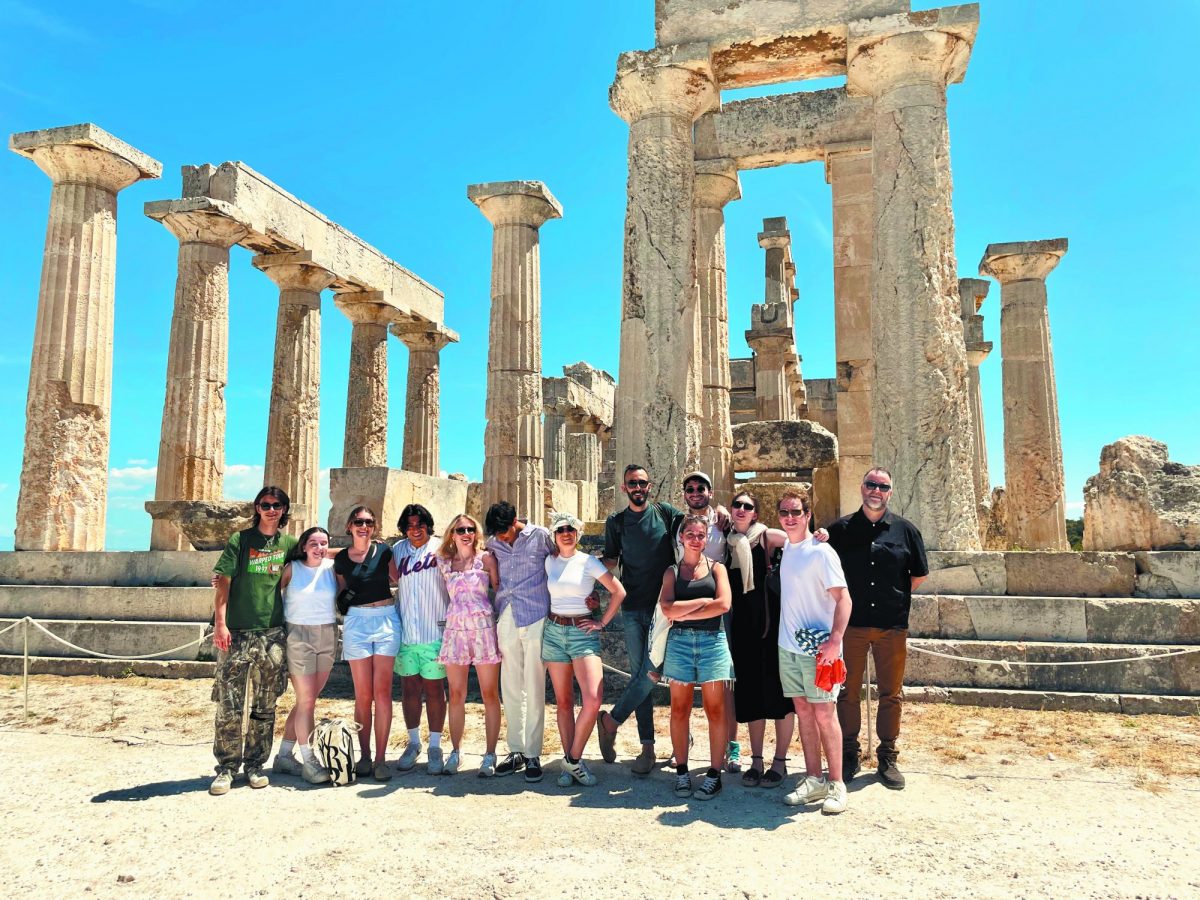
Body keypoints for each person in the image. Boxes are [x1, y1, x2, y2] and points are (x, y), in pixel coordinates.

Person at [827, 466, 928, 790]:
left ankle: (887, 756)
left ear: (890, 492)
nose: (876, 490)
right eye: (871, 484)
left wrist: (892, 596)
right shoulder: (839, 530)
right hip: (851, 625)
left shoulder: (906, 531)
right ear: (862, 488)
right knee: (847, 692)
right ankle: (849, 752)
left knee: (891, 694)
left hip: (891, 625)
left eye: (883, 486)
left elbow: (918, 575)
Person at [208, 486, 299, 796]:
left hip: (272, 633)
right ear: (257, 508)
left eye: (277, 505)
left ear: (284, 510)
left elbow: (318, 551)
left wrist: (362, 546)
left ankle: (255, 764)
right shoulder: (241, 540)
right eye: (266, 504)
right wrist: (220, 624)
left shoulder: (288, 544)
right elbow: (223, 582)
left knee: (265, 704)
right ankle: (226, 767)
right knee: (229, 705)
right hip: (236, 631)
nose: (271, 510)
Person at [596, 464, 684, 775]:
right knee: (641, 676)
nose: (637, 487)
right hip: (632, 608)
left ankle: (611, 721)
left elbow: (693, 528)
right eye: (632, 483)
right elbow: (610, 560)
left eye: (642, 483)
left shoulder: (665, 513)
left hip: (664, 609)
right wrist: (577, 564)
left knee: (651, 675)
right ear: (624, 488)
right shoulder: (616, 522)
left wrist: (719, 516)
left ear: (649, 486)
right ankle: (647, 748)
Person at [774, 491, 852, 815]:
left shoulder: (822, 552)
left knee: (824, 714)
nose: (790, 517)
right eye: (784, 512)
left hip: (820, 649)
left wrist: (835, 641)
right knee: (804, 712)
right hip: (788, 647)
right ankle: (814, 779)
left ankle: (837, 784)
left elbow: (844, 599)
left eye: (796, 512)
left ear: (808, 515)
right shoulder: (785, 547)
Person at [542, 511, 627, 788]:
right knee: (564, 703)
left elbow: (618, 591)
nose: (566, 533)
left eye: (570, 529)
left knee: (592, 699)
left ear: (577, 533)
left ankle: (573, 759)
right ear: (554, 535)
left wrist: (601, 621)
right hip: (554, 631)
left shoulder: (588, 562)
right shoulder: (549, 561)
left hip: (582, 632)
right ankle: (570, 765)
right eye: (560, 530)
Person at [660, 514, 733, 800]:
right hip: (679, 644)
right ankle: (682, 771)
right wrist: (703, 602)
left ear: (706, 539)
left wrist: (685, 610)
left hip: (712, 642)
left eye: (700, 535)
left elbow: (724, 604)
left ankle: (714, 774)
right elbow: (666, 609)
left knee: (715, 710)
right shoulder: (672, 572)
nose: (695, 539)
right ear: (681, 537)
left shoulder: (717, 569)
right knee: (679, 709)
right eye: (689, 534)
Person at [726, 489, 795, 788]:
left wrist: (821, 536)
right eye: (737, 505)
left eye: (747, 506)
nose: (741, 509)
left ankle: (780, 761)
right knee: (752, 696)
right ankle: (756, 760)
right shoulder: (728, 542)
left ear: (755, 513)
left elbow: (801, 544)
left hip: (773, 628)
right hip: (744, 629)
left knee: (780, 697)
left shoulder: (768, 537)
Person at [484, 501, 555, 783]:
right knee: (511, 686)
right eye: (497, 534)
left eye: (504, 532)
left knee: (534, 686)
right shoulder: (493, 543)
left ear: (515, 521)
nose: (501, 538)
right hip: (507, 616)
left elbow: (561, 561)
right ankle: (516, 750)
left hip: (536, 616)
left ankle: (533, 753)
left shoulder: (541, 536)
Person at [675, 470, 739, 773]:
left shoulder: (723, 521)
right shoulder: (678, 523)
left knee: (724, 682)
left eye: (701, 488)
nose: (696, 492)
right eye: (690, 488)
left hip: (717, 606)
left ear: (710, 493)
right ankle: (682, 743)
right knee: (682, 683)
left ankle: (732, 745)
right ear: (684, 494)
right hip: (685, 605)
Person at [335, 505, 399, 781]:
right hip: (357, 622)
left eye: (369, 522)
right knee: (362, 695)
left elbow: (397, 577)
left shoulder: (384, 551)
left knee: (382, 693)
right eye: (359, 522)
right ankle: (364, 756)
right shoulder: (340, 559)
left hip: (385, 619)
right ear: (349, 526)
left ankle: (382, 758)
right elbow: (341, 592)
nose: (364, 526)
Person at [435, 513, 502, 776]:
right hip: (455, 631)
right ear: (452, 534)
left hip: (483, 630)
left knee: (490, 694)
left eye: (470, 529)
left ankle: (490, 754)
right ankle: (456, 751)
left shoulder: (486, 559)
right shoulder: (444, 562)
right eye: (461, 529)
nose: (466, 534)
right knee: (455, 695)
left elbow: (500, 590)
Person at [272, 526, 337, 785]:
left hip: (328, 633)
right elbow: (268, 590)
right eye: (313, 543)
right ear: (303, 546)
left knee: (306, 701)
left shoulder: (332, 568)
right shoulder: (291, 569)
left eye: (324, 543)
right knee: (307, 700)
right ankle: (309, 760)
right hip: (298, 634)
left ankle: (284, 756)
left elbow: (351, 554)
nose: (319, 548)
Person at [392, 503, 451, 775]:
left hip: (434, 631)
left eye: (420, 524)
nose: (415, 529)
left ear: (428, 525)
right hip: (407, 632)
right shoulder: (397, 550)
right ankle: (414, 742)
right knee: (409, 689)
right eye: (410, 525)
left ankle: (435, 746)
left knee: (435, 690)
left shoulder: (442, 548)